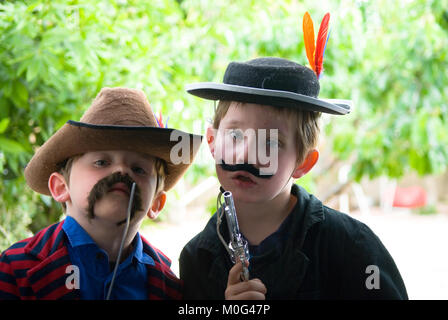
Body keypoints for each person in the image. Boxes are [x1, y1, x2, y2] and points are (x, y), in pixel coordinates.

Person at [179, 56, 408, 299]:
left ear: (304, 163)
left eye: (270, 142)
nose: (245, 153)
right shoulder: (197, 259)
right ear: (213, 142)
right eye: (235, 135)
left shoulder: (353, 248)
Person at [0, 87, 202, 300]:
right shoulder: (14, 270)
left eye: (138, 169)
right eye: (101, 162)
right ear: (61, 187)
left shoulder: (169, 288)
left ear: (156, 203)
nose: (122, 171)